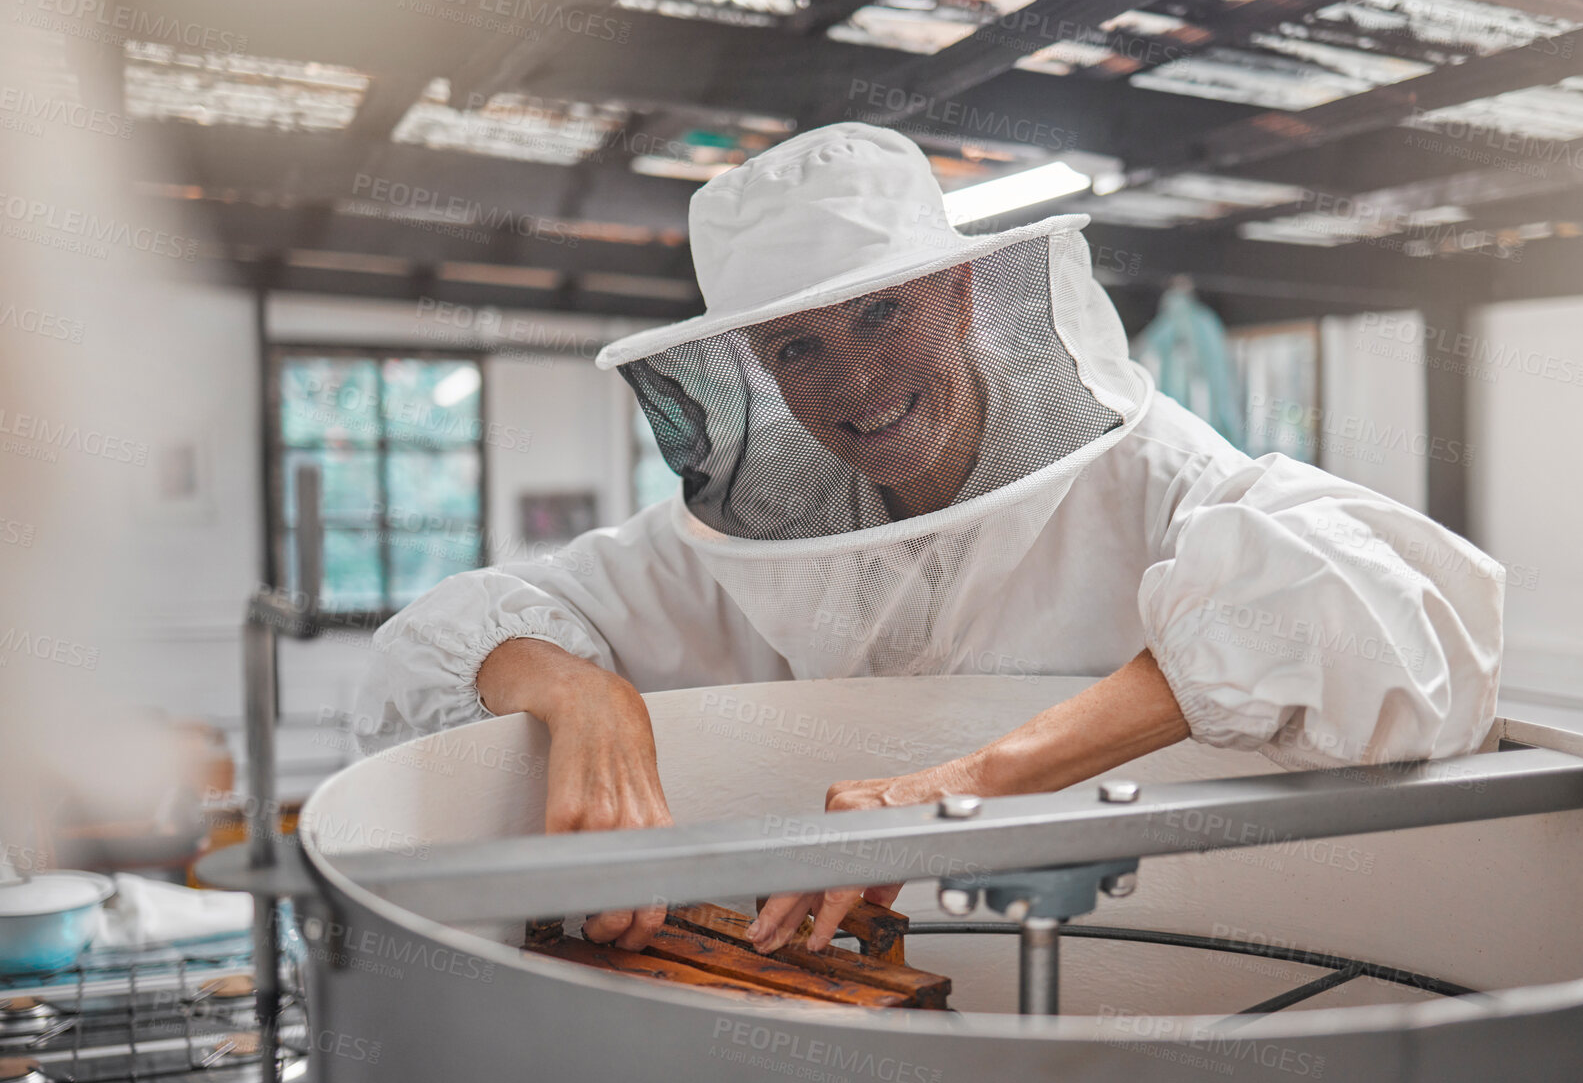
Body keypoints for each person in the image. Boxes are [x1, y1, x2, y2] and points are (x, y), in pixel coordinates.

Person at [362, 123, 1504, 958]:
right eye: (799, 351)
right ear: (757, 371)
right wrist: (579, 693)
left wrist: (969, 783)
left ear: (958, 294)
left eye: (879, 313)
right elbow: (430, 646)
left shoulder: (1148, 476)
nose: (856, 379)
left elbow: (1388, 620)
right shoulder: (753, 532)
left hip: (1128, 975)